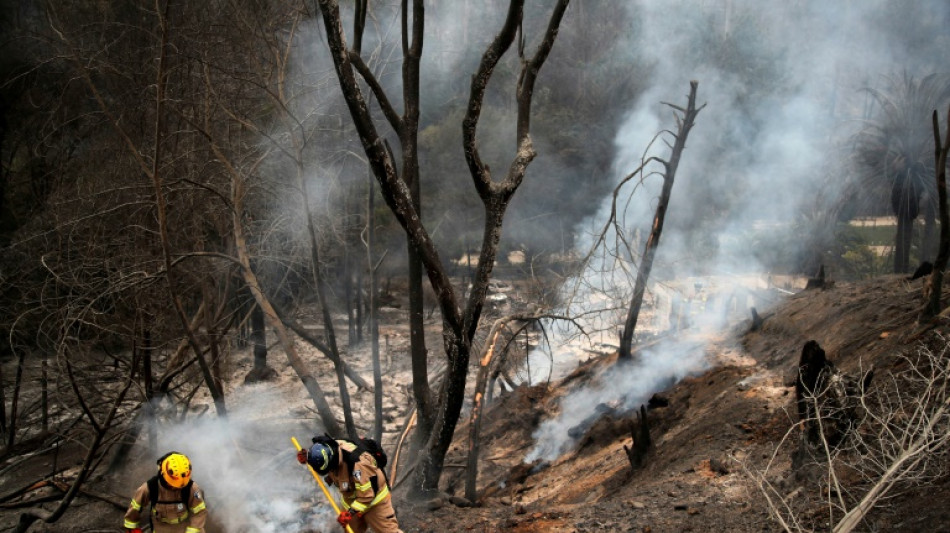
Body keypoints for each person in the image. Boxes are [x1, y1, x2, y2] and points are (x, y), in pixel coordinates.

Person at [297, 436, 403, 533]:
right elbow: (320, 457)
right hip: (351, 502)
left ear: (332, 461)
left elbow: (367, 495)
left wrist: (350, 513)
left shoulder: (358, 463)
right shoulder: (329, 449)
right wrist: (308, 458)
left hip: (374, 502)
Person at [123, 451, 207, 533]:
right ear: (163, 474)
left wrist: (192, 531)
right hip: (161, 528)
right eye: (172, 483)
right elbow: (134, 509)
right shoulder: (150, 487)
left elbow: (200, 512)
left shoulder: (191, 488)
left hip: (186, 526)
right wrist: (132, 528)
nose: (175, 487)